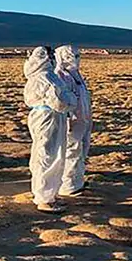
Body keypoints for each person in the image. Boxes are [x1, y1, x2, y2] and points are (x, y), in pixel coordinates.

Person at [23, 46, 77, 214]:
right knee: (49, 155)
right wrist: (72, 100)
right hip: (50, 117)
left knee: (44, 153)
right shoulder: (47, 78)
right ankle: (44, 198)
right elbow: (59, 101)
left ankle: (48, 193)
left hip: (43, 116)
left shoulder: (36, 77)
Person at [54, 45, 93, 197]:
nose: (76, 59)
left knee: (81, 150)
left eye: (77, 56)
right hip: (72, 120)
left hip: (82, 119)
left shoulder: (75, 74)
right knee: (72, 150)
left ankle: (78, 181)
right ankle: (68, 185)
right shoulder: (60, 75)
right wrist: (68, 118)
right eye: (72, 56)